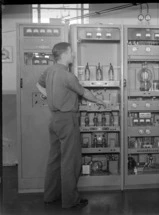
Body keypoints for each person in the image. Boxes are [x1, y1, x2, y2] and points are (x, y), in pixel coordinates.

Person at [36, 42, 105, 209]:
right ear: (64, 54)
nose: (73, 54)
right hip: (67, 120)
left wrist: (48, 96)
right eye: (71, 52)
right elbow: (84, 92)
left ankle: (50, 196)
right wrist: (100, 101)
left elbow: (38, 84)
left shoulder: (49, 70)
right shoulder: (67, 76)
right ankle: (70, 200)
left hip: (54, 121)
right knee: (70, 161)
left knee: (54, 159)